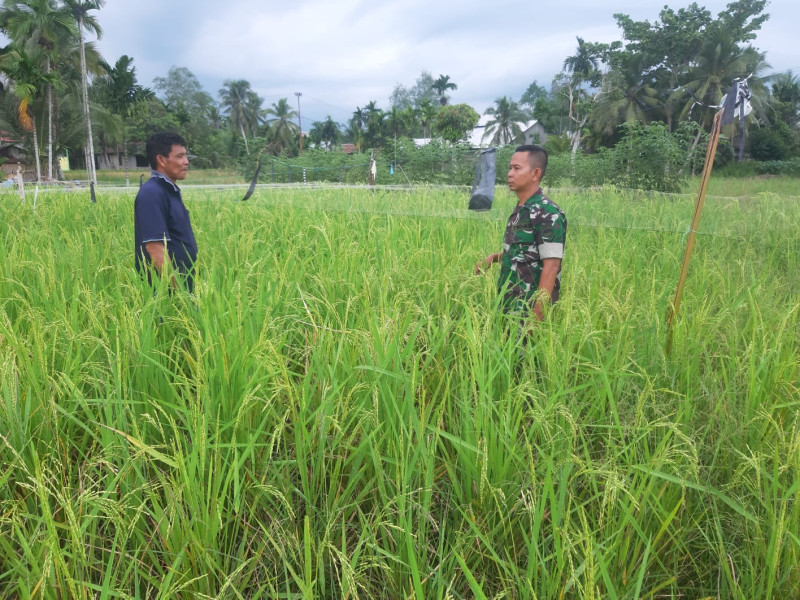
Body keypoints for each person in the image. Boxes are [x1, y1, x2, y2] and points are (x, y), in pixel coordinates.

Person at [474, 144, 566, 327]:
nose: (509, 173)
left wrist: (536, 317)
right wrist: (495, 258)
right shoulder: (522, 209)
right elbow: (525, 253)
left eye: (517, 168)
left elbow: (552, 266)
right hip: (508, 304)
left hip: (528, 310)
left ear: (535, 174)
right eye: (510, 168)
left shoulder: (548, 213)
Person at [134, 132, 198, 293]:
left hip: (181, 286)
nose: (186, 161)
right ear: (161, 159)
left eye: (185, 156)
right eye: (180, 156)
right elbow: (155, 248)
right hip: (167, 293)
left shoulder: (168, 190)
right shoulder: (152, 193)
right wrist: (180, 292)